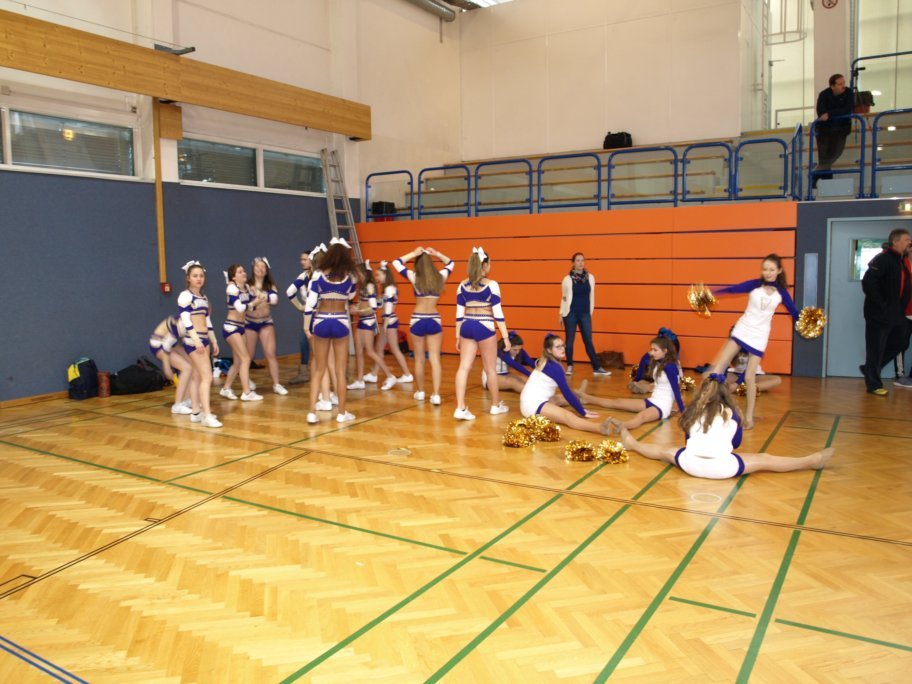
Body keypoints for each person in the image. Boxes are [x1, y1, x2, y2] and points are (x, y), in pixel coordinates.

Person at [611, 375, 834, 479]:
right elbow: (735, 444)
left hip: (690, 465)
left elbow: (688, 442)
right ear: (726, 394)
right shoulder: (732, 413)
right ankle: (809, 461)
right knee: (764, 459)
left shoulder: (694, 410)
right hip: (722, 469)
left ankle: (633, 444)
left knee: (664, 451)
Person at [706, 254, 799, 428]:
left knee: (750, 377)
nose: (768, 273)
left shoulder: (782, 293)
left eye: (771, 269)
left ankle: (748, 418)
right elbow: (733, 289)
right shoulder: (755, 285)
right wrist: (712, 292)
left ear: (779, 270)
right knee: (719, 366)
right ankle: (706, 407)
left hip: (759, 336)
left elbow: (794, 312)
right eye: (765, 269)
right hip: (742, 329)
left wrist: (807, 322)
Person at [304, 238, 358, 424]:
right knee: (340, 370)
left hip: (321, 321)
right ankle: (342, 413)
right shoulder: (351, 277)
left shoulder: (318, 276)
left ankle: (311, 413)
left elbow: (310, 304)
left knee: (319, 369)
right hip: (341, 321)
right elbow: (351, 295)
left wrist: (306, 326)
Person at [453, 247, 511, 420]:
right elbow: (498, 314)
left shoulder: (461, 285)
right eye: (489, 263)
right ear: (484, 265)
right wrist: (506, 337)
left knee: (463, 367)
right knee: (490, 369)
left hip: (466, 326)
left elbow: (459, 315)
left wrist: (457, 336)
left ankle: (460, 407)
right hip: (485, 327)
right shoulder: (492, 285)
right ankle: (495, 406)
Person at [580, 335, 684, 430]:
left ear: (665, 351)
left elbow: (676, 390)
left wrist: (682, 410)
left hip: (662, 406)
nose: (651, 352)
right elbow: (644, 358)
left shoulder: (670, 367)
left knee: (642, 416)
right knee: (617, 402)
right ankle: (587, 398)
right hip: (653, 399)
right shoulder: (658, 361)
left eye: (655, 350)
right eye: (651, 349)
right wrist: (636, 380)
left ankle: (622, 426)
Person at [392, 246, 454, 404]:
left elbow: (396, 263)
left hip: (417, 320)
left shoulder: (414, 276)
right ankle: (436, 395)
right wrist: (438, 253)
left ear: (417, 263)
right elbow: (451, 263)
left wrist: (413, 253)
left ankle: (420, 392)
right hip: (434, 320)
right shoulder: (440, 277)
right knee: (435, 359)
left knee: (419, 359)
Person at [519, 333, 608, 434]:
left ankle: (579, 396)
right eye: (558, 347)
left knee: (562, 398)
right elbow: (566, 392)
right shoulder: (555, 367)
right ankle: (599, 427)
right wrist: (582, 411)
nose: (562, 349)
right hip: (532, 406)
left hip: (532, 400)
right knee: (567, 415)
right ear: (549, 350)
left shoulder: (546, 360)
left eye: (563, 346)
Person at [861, 228, 912, 395]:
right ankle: (874, 385)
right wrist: (882, 304)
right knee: (875, 348)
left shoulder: (901, 260)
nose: (909, 242)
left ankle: (869, 369)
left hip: (896, 313)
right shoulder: (883, 258)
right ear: (895, 242)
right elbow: (868, 283)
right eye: (906, 239)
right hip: (879, 314)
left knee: (901, 342)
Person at [177, 260, 221, 428]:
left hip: (204, 340)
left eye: (201, 276)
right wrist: (195, 340)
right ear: (188, 278)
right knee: (207, 377)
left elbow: (207, 320)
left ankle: (196, 412)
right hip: (194, 341)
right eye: (195, 276)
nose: (199, 278)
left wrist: (214, 340)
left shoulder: (203, 297)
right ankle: (207, 415)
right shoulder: (185, 296)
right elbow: (185, 319)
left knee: (197, 377)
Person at [348, 260, 397, 391]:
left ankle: (390, 376)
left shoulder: (370, 286)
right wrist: (356, 307)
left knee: (370, 351)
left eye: (357, 272)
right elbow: (363, 303)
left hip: (368, 321)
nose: (356, 275)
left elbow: (373, 308)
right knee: (359, 351)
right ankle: (359, 380)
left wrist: (358, 311)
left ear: (363, 273)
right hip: (362, 320)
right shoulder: (362, 286)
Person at [560, 252, 610, 377]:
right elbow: (564, 298)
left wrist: (589, 312)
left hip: (585, 313)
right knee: (570, 341)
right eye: (578, 260)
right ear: (573, 263)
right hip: (570, 313)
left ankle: (596, 367)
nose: (580, 263)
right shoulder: (567, 279)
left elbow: (591, 295)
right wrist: (561, 313)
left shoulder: (590, 278)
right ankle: (570, 365)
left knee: (588, 340)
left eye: (582, 260)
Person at [219, 264, 262, 402]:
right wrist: (253, 302)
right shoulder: (232, 288)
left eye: (243, 271)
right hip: (231, 328)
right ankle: (246, 392)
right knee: (246, 359)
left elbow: (250, 307)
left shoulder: (247, 288)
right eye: (240, 272)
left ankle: (226, 388)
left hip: (241, 327)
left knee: (238, 362)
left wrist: (257, 298)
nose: (244, 273)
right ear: (233, 277)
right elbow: (239, 308)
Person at [245, 256, 288, 396]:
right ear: (253, 268)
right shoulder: (247, 285)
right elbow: (244, 305)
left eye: (263, 266)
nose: (260, 268)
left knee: (270, 353)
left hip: (266, 322)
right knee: (248, 356)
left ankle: (276, 384)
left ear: (266, 270)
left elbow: (274, 300)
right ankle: (246, 381)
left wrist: (259, 294)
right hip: (250, 323)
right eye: (257, 266)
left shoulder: (270, 286)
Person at [366, 262, 413, 384]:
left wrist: (385, 325)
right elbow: (380, 305)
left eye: (379, 275)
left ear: (385, 274)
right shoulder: (387, 289)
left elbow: (388, 308)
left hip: (389, 322)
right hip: (387, 322)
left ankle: (407, 374)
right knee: (379, 348)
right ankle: (374, 374)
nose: (377, 277)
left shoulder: (389, 289)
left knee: (395, 349)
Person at [813, 73, 854, 188]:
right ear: (832, 86)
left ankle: (815, 175)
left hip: (841, 130)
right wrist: (829, 114)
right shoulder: (824, 94)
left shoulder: (849, 93)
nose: (843, 86)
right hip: (824, 131)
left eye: (843, 83)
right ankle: (826, 181)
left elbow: (847, 109)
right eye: (840, 84)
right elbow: (821, 112)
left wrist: (830, 114)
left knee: (835, 153)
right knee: (824, 157)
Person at [148, 315, 193, 414]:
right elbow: (166, 345)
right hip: (159, 344)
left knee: (192, 365)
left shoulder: (193, 319)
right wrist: (167, 366)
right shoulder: (182, 322)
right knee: (187, 368)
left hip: (171, 344)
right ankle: (177, 405)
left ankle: (186, 400)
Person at [285, 248, 317, 385]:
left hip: (315, 317)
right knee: (306, 344)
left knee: (315, 346)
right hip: (315, 316)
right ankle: (307, 374)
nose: (302, 262)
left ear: (312, 260)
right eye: (301, 259)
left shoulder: (314, 275)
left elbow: (290, 292)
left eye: (305, 259)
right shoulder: (305, 275)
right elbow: (289, 292)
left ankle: (326, 375)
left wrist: (300, 306)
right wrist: (299, 306)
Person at [482, 330, 537, 395]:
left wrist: (542, 371)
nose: (517, 352)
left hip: (505, 375)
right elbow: (514, 365)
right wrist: (531, 375)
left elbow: (530, 361)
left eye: (519, 349)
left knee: (523, 378)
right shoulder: (499, 351)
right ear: (507, 346)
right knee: (513, 381)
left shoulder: (518, 350)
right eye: (515, 350)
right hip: (489, 378)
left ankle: (540, 391)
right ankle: (534, 395)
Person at [629, 327, 680, 394]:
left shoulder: (673, 361)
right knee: (642, 383)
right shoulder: (650, 356)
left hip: (661, 383)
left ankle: (649, 387)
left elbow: (677, 379)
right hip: (649, 378)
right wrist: (637, 380)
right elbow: (641, 370)